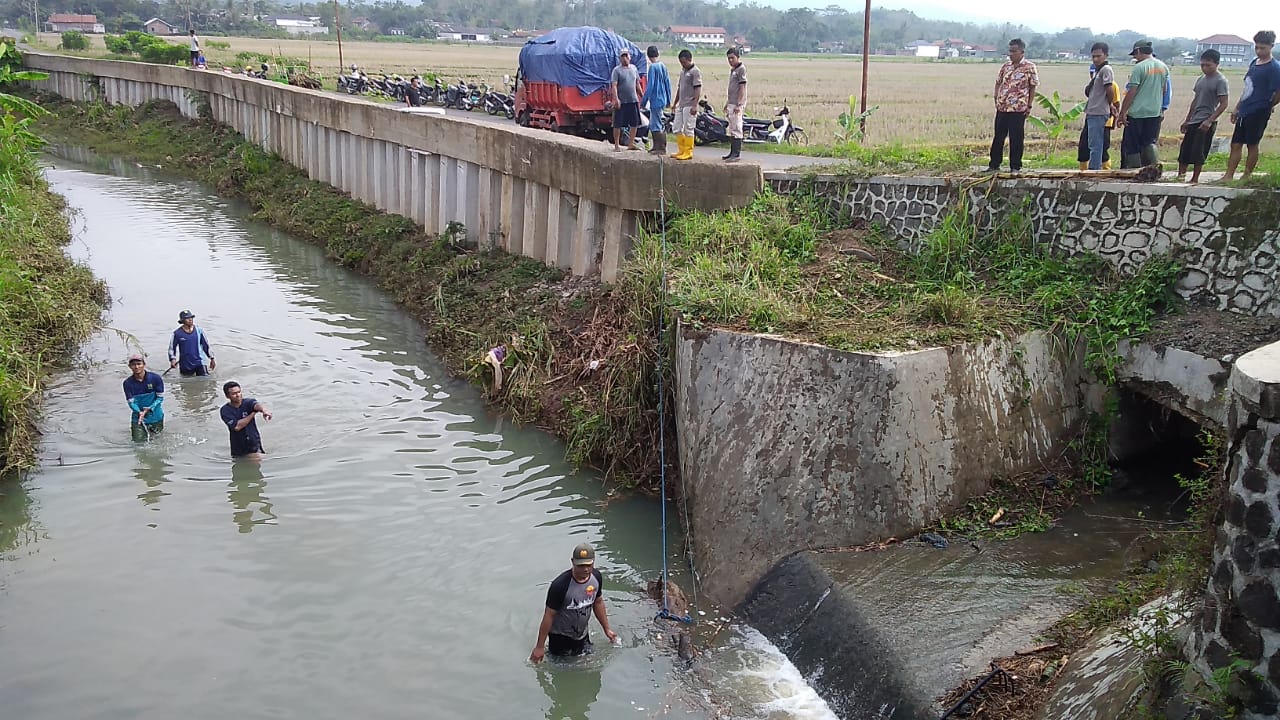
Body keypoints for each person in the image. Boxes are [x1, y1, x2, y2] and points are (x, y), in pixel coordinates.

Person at [529, 543, 618, 663]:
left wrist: (607, 629)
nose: (586, 569)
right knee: (561, 668)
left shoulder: (596, 578)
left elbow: (598, 602)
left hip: (582, 634)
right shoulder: (560, 586)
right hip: (560, 637)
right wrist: (539, 647)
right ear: (573, 562)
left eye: (589, 565)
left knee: (588, 663)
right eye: (581, 566)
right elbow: (549, 615)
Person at [1225, 30, 1280, 181]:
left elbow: (1278, 91)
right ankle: (1228, 175)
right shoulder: (1254, 63)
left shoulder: (1274, 68)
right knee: (1236, 144)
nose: (1259, 51)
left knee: (1252, 144)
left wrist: (1268, 105)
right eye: (1257, 47)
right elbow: (1247, 88)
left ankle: (1246, 176)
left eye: (1263, 48)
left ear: (1271, 46)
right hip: (1245, 110)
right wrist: (1237, 107)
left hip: (1259, 111)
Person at [1177, 49, 1229, 184]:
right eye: (1202, 65)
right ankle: (1180, 176)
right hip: (1194, 119)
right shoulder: (1201, 79)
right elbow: (1195, 101)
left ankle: (1195, 179)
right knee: (1185, 150)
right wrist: (1187, 120)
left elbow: (1224, 104)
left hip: (1206, 120)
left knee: (1199, 152)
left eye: (1208, 65)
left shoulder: (1220, 81)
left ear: (1216, 64)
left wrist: (1209, 121)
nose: (1205, 68)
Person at [986, 38, 1038, 173]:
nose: (1011, 54)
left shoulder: (1029, 67)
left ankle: (1015, 166)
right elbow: (998, 82)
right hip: (1003, 106)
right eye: (1010, 51)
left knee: (1016, 138)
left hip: (1018, 108)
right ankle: (994, 164)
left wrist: (1029, 105)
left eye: (1014, 51)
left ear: (1022, 52)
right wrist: (996, 97)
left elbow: (1033, 87)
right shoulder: (1006, 66)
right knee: (998, 136)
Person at [1117, 40, 1170, 169]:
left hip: (1137, 113)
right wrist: (1161, 109)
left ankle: (1134, 172)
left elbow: (1132, 92)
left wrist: (1123, 112)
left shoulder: (1139, 67)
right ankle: (1154, 169)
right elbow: (1164, 90)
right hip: (1154, 113)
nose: (1135, 57)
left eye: (1135, 54)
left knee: (1132, 145)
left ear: (1139, 51)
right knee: (1149, 143)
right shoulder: (1163, 67)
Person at [1079, 42, 1119, 170]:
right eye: (1093, 56)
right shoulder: (1098, 70)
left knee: (1095, 145)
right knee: (1093, 143)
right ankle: (1094, 169)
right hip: (1094, 111)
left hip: (1098, 112)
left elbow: (1109, 89)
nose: (1096, 59)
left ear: (1106, 55)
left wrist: (1110, 104)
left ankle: (1094, 171)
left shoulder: (1106, 70)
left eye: (1099, 56)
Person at [220, 381, 271, 458]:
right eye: (234, 394)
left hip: (254, 444)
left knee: (257, 461)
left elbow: (256, 405)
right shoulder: (225, 410)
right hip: (238, 448)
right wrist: (253, 413)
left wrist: (264, 410)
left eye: (239, 392)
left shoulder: (248, 402)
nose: (238, 395)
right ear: (227, 396)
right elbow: (237, 427)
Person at [123, 354, 165, 441]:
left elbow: (160, 398)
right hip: (138, 418)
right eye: (133, 364)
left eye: (139, 364)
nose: (136, 367)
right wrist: (139, 412)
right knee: (138, 443)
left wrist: (150, 408)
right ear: (130, 366)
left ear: (144, 364)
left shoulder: (155, 378)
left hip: (155, 416)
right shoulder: (127, 383)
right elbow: (131, 402)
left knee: (157, 441)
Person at [669, 50, 701, 161]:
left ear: (689, 59)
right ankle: (681, 149)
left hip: (690, 104)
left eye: (683, 62)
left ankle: (688, 151)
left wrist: (695, 105)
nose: (682, 64)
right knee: (676, 128)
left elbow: (697, 89)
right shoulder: (683, 71)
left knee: (689, 128)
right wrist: (674, 103)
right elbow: (679, 88)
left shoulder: (695, 72)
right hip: (681, 104)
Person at [639, 46, 672, 156]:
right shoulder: (663, 66)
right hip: (663, 99)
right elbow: (668, 83)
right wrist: (669, 98)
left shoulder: (653, 68)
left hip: (655, 99)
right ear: (658, 54)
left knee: (655, 124)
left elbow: (650, 86)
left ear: (648, 56)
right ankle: (658, 146)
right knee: (657, 122)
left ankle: (660, 147)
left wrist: (643, 101)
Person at [609, 49, 642, 151]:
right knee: (617, 124)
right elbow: (614, 86)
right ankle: (616, 145)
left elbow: (637, 84)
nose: (625, 58)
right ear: (620, 58)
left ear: (630, 57)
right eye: (622, 56)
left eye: (626, 56)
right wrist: (616, 99)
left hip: (633, 100)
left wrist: (642, 95)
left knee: (634, 123)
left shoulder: (634, 69)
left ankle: (631, 143)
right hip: (621, 101)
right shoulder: (616, 70)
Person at [168, 310, 216, 376]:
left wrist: (212, 358)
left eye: (191, 318)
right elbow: (172, 348)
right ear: (182, 321)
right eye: (187, 318)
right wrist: (172, 359)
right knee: (186, 383)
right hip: (185, 364)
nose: (190, 319)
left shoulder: (199, 330)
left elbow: (206, 345)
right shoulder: (177, 333)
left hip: (200, 362)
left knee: (204, 379)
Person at [723, 48, 748, 163]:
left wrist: (739, 104)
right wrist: (728, 103)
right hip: (731, 102)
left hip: (737, 104)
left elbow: (742, 87)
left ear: (738, 57)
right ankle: (732, 152)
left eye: (732, 58)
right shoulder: (733, 70)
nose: (730, 60)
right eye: (728, 58)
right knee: (732, 128)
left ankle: (736, 154)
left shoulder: (741, 69)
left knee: (737, 127)